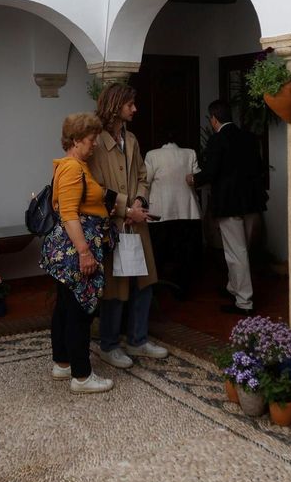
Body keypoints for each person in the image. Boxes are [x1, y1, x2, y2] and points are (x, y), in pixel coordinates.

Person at [88, 84, 166, 369]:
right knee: (114, 287)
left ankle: (138, 339)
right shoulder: (95, 143)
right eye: (130, 104)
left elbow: (143, 176)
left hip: (137, 224)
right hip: (112, 225)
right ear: (115, 105)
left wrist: (139, 200)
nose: (135, 109)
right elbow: (94, 187)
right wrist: (124, 208)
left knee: (143, 283)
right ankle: (108, 345)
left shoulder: (131, 139)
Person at [41, 112, 116, 393]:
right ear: (75, 141)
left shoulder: (72, 165)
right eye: (91, 140)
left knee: (64, 306)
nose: (94, 144)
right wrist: (85, 252)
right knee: (79, 311)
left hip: (68, 249)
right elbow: (70, 214)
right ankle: (82, 376)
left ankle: (62, 363)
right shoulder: (73, 168)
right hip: (75, 248)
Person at [196, 98, 266, 315]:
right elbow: (259, 168)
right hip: (251, 202)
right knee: (242, 248)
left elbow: (211, 172)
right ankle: (233, 287)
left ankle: (244, 302)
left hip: (229, 204)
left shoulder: (217, 140)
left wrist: (194, 179)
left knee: (236, 252)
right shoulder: (249, 137)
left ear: (214, 119)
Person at [144, 132, 202, 298]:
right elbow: (196, 178)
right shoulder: (190, 153)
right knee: (183, 255)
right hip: (187, 210)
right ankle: (182, 291)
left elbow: (145, 181)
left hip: (160, 212)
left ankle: (154, 291)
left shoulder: (152, 155)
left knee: (158, 254)